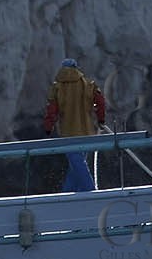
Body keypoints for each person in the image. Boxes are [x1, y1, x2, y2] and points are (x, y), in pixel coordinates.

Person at [43, 59, 106, 192]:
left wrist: (48, 128)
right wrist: (101, 120)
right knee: (77, 165)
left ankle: (88, 192)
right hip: (87, 132)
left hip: (68, 133)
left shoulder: (57, 87)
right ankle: (72, 193)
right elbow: (100, 102)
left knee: (77, 164)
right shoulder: (88, 84)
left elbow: (51, 110)